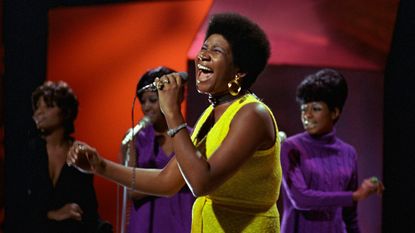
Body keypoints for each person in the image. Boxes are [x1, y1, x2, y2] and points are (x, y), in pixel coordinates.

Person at [68, 12, 282, 233]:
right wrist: (99, 166)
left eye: (216, 51)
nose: (203, 56)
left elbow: (201, 183)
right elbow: (167, 181)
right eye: (204, 48)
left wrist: (171, 112)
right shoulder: (211, 114)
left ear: (239, 72)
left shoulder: (253, 114)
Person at [279, 68, 384, 233]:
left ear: (334, 112)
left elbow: (350, 216)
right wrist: (353, 196)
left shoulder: (348, 153)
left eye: (316, 109)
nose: (307, 115)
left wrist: (354, 199)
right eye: (303, 109)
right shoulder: (290, 147)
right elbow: (301, 199)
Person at [28, 81, 110, 233]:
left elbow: (88, 210)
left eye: (49, 106)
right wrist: (53, 214)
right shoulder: (27, 152)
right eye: (38, 107)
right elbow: (16, 204)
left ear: (65, 112)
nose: (39, 112)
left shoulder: (79, 154)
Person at [124, 66, 194, 233]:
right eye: (143, 101)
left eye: (153, 100)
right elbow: (132, 191)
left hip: (181, 223)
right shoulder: (136, 140)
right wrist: (169, 180)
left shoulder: (192, 138)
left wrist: (154, 181)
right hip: (145, 225)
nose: (147, 107)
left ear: (176, 98)